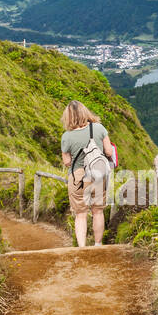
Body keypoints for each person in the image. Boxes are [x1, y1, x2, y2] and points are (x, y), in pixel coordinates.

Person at [60, 100, 117, 247]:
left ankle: (82, 248)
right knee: (98, 211)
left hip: (77, 177)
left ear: (68, 117)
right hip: (97, 175)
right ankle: (98, 245)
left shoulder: (66, 136)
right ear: (85, 112)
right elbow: (109, 151)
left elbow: (67, 162)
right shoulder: (98, 128)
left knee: (81, 214)